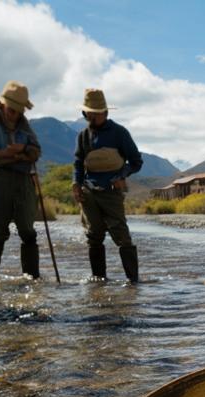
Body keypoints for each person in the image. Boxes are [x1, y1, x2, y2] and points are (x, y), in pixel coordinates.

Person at [0, 81, 43, 279]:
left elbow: (36, 150)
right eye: (11, 110)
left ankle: (32, 280)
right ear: (2, 104)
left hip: (24, 180)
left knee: (28, 233)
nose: (14, 115)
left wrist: (21, 151)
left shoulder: (23, 124)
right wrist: (13, 154)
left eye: (18, 112)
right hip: (1, 178)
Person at [73, 89, 143, 283]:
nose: (92, 116)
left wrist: (122, 175)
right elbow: (78, 164)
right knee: (93, 236)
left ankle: (133, 282)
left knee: (121, 235)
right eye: (89, 113)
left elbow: (136, 162)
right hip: (89, 193)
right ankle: (98, 282)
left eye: (96, 113)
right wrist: (76, 185)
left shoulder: (120, 133)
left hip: (113, 192)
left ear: (105, 112)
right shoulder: (83, 136)